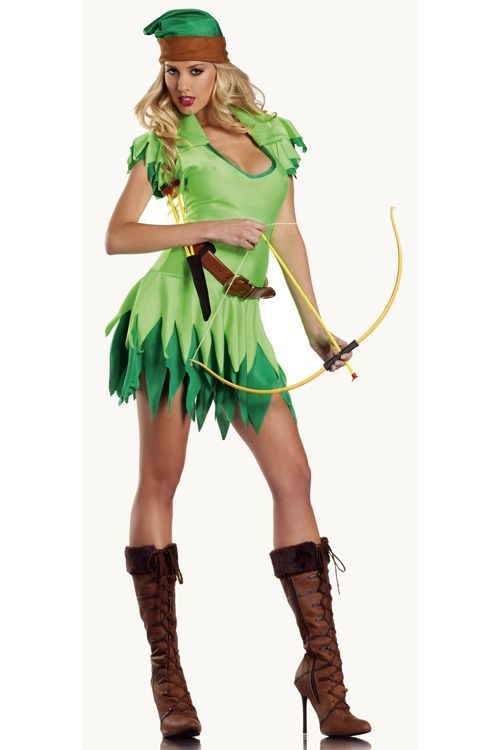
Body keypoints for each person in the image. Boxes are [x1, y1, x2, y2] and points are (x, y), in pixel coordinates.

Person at [104, 7, 371, 741]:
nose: (182, 85)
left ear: (221, 68)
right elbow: (117, 236)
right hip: (173, 320)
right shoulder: (165, 142)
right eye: (171, 71)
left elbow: (288, 234)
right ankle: (168, 678)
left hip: (241, 328)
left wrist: (316, 331)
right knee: (161, 480)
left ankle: (323, 673)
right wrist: (207, 226)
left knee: (295, 477)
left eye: (195, 69)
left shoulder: (273, 138)